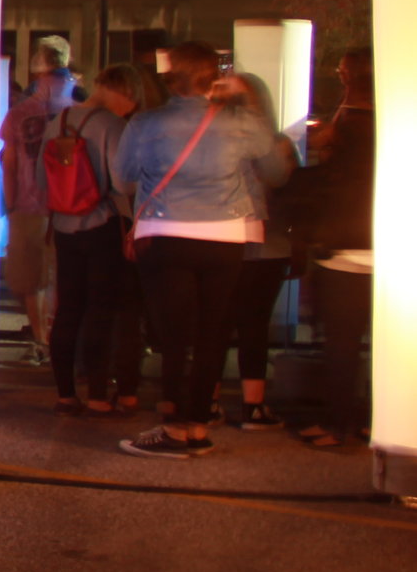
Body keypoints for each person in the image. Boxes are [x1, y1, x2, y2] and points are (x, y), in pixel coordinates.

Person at [110, 40, 288, 459]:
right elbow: (276, 171)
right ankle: (196, 426)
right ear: (215, 76)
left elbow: (122, 180)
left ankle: (173, 429)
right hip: (225, 234)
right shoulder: (242, 121)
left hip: (165, 231)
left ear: (170, 78)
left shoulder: (146, 124)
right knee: (213, 331)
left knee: (174, 336)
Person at [297, 47, 375, 447]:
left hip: (344, 244)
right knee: (383, 344)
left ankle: (337, 423)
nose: (339, 75)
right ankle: (375, 421)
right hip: (387, 244)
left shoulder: (347, 125)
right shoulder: (395, 119)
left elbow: (328, 182)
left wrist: (326, 146)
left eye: (343, 71)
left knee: (341, 341)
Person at [45, 63, 131, 416]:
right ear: (119, 90)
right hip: (101, 224)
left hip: (64, 226)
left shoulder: (58, 122)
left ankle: (65, 393)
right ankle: (97, 393)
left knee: (67, 309)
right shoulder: (111, 124)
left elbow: (42, 177)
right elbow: (124, 182)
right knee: (100, 309)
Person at [221, 72, 298, 432]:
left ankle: (208, 400)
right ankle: (253, 406)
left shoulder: (213, 140)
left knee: (216, 323)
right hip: (269, 243)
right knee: (254, 325)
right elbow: (284, 183)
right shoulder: (276, 143)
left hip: (223, 239)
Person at [0, 35, 77, 367]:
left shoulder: (22, 112)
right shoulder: (81, 106)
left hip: (30, 205)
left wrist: (10, 201)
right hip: (76, 206)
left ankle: (42, 341)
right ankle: (64, 340)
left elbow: (11, 160)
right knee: (65, 276)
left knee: (31, 278)